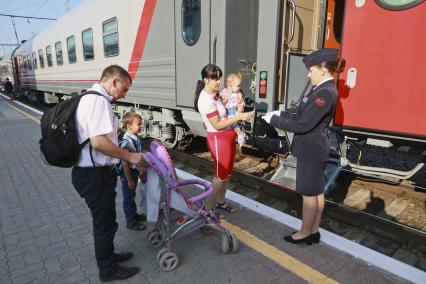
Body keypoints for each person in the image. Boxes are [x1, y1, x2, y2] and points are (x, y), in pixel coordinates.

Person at [262, 48, 345, 245]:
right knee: (317, 192)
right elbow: (302, 115)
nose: (308, 74)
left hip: (311, 150)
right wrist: (281, 114)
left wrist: (274, 120)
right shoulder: (322, 89)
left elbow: (302, 125)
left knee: (309, 194)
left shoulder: (324, 93)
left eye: (311, 70)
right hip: (315, 148)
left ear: (323, 70)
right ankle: (314, 230)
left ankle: (305, 232)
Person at [72, 65, 144, 282]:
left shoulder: (92, 98)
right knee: (104, 224)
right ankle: (108, 270)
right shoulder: (98, 101)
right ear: (115, 81)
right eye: (125, 88)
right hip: (94, 175)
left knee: (105, 222)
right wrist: (129, 157)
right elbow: (99, 143)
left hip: (93, 174)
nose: (125, 93)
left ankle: (109, 257)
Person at [194, 64, 252, 215]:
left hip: (227, 137)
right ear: (206, 80)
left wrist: (238, 107)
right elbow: (218, 125)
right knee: (219, 176)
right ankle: (206, 210)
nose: (219, 81)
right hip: (219, 139)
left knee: (226, 174)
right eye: (215, 78)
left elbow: (227, 109)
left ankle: (220, 202)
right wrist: (239, 117)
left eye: (219, 77)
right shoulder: (205, 100)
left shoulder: (216, 93)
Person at [119, 111, 147, 231]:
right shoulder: (127, 141)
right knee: (128, 197)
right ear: (129, 126)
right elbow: (125, 162)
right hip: (128, 174)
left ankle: (134, 214)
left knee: (132, 195)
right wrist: (129, 180)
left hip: (133, 172)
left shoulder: (134, 137)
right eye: (138, 124)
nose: (140, 126)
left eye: (141, 124)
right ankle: (130, 221)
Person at [220, 73, 246, 148]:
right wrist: (223, 98)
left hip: (234, 113)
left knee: (235, 126)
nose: (240, 87)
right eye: (238, 86)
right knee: (229, 126)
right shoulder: (224, 91)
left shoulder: (238, 94)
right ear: (230, 86)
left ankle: (240, 136)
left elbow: (241, 102)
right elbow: (220, 97)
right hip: (226, 113)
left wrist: (241, 102)